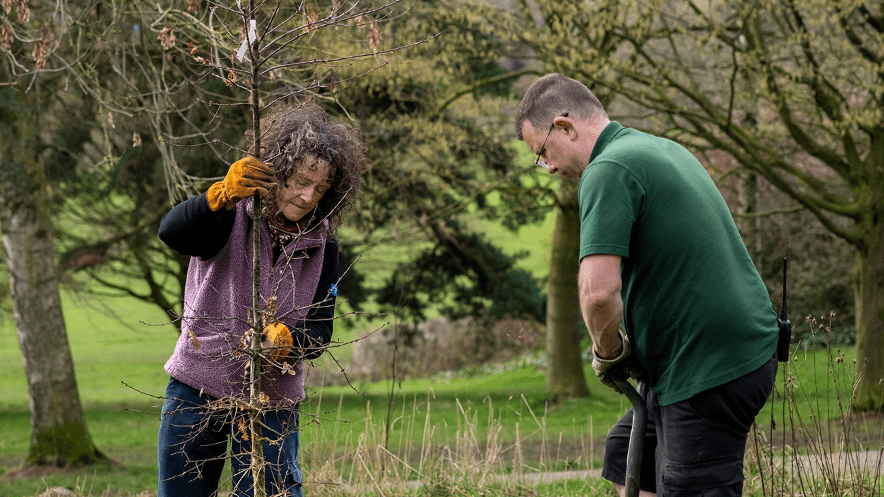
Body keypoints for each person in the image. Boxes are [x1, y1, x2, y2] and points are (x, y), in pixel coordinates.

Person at [515, 73, 779, 496]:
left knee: (692, 487)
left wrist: (608, 353)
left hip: (708, 366)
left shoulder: (609, 169)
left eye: (543, 152)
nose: (548, 168)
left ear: (565, 126)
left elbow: (598, 293)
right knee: (627, 455)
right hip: (710, 356)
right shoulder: (656, 147)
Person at [156, 101, 369, 497]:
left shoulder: (323, 245)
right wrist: (217, 196)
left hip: (273, 398)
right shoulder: (232, 213)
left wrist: (289, 339)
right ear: (278, 171)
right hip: (196, 384)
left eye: (320, 189)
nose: (308, 197)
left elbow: (321, 332)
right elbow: (171, 233)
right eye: (300, 182)